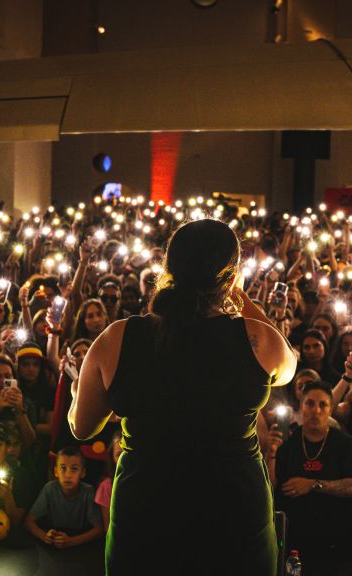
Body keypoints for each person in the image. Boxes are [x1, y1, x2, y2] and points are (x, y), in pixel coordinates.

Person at [68, 218, 297, 575]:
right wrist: (240, 297)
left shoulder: (117, 338)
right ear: (231, 273)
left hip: (146, 510)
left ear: (167, 267)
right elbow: (289, 367)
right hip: (233, 510)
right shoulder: (256, 339)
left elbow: (82, 427)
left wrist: (74, 394)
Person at [267, 381, 352, 575]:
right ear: (301, 406)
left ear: (330, 409)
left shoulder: (345, 444)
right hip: (294, 536)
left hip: (334, 538)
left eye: (323, 405)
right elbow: (270, 488)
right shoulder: (286, 443)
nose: (316, 410)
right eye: (310, 404)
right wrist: (270, 454)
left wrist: (313, 484)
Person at [24, 445, 103, 548]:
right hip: (54, 544)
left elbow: (99, 529)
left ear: (83, 472)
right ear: (56, 471)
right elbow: (28, 522)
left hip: (81, 546)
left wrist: (71, 541)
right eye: (63, 468)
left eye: (74, 469)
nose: (68, 475)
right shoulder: (50, 489)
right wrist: (44, 536)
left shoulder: (88, 492)